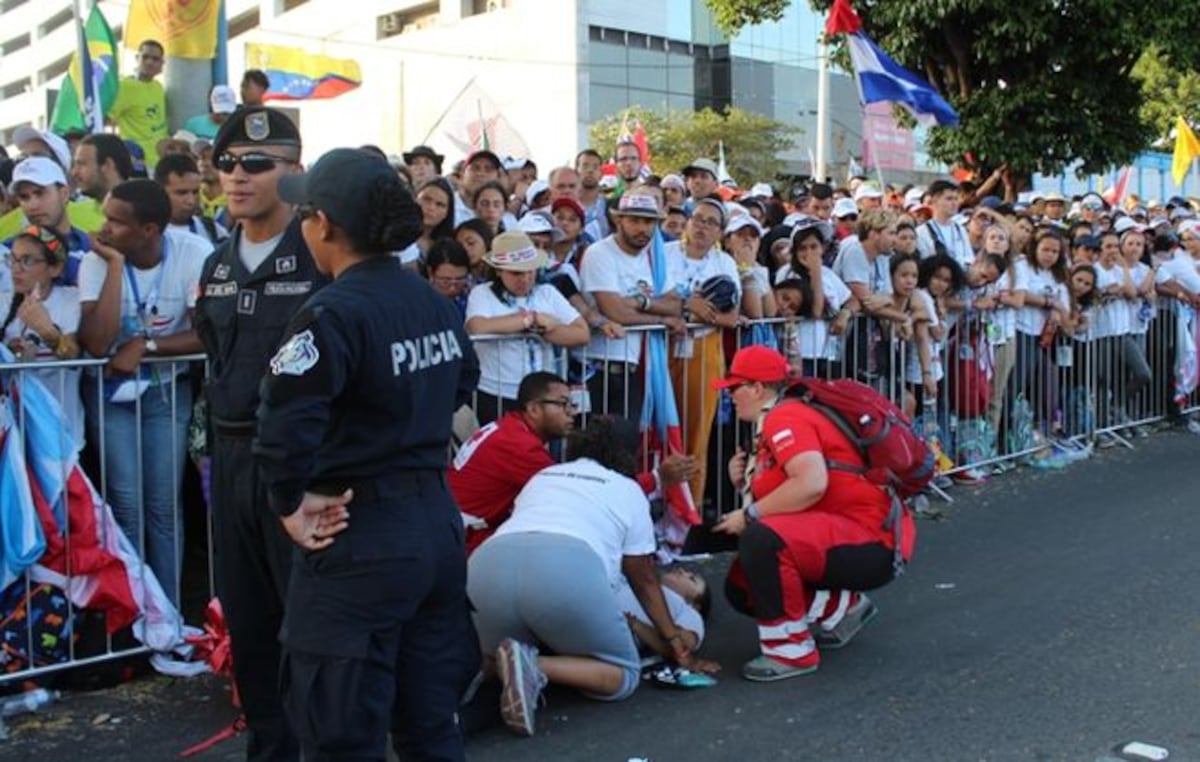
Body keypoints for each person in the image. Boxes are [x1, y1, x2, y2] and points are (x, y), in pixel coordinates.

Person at [254, 147, 479, 760]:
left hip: (358, 536)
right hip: (433, 525)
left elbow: (283, 423)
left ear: (322, 224)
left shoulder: (331, 313)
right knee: (431, 727)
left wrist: (288, 503)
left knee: (340, 734)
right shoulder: (430, 300)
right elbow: (463, 380)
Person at [193, 106, 324, 762]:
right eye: (226, 164)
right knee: (248, 626)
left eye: (255, 164)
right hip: (230, 453)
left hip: (297, 462)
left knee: (309, 626)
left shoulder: (322, 256)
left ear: (295, 174)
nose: (236, 177)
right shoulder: (218, 261)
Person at [468, 417, 718, 738]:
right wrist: (676, 645)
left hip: (489, 564)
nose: (684, 572)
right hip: (563, 568)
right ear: (625, 457)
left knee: (495, 657)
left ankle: (492, 667)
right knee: (624, 676)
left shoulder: (544, 476)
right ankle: (532, 666)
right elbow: (643, 579)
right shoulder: (626, 489)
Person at [711, 345, 916, 681]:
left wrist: (748, 515)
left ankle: (791, 652)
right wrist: (743, 485)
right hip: (868, 535)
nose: (730, 397)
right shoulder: (784, 415)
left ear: (757, 388)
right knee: (743, 584)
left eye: (733, 389)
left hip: (870, 537)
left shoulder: (784, 417)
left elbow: (811, 483)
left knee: (761, 539)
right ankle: (842, 609)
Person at [77, 179, 209, 605]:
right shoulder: (98, 261)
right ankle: (136, 612)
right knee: (127, 508)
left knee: (164, 509)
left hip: (167, 394)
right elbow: (97, 344)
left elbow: (208, 333)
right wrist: (115, 266)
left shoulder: (193, 252)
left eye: (116, 221)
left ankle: (167, 611)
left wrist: (146, 346)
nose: (104, 227)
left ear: (150, 229)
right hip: (112, 396)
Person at [580, 190, 686, 418]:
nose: (642, 228)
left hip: (634, 368)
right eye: (634, 220)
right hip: (598, 368)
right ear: (619, 220)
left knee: (627, 446)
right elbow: (615, 311)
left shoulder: (653, 257)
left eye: (649, 221)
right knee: (595, 444)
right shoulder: (599, 253)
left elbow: (675, 304)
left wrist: (641, 301)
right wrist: (661, 319)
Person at [464, 230, 589, 424]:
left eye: (530, 271)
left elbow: (582, 334)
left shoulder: (547, 292)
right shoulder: (482, 293)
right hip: (497, 392)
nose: (525, 278)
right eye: (516, 272)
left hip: (542, 395)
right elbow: (477, 327)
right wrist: (530, 321)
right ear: (498, 270)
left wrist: (547, 329)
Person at [2, 225, 84, 452]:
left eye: (27, 261)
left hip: (61, 426)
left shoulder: (71, 300)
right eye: (13, 259)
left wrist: (47, 331)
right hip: (13, 426)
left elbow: (73, 353)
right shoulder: (2, 301)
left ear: (55, 268)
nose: (16, 269)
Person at [4, 157, 91, 286]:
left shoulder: (92, 248)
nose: (32, 205)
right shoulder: (6, 253)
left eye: (40, 193)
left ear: (64, 194)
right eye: (24, 197)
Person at [110, 40, 169, 170]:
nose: (149, 62)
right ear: (137, 58)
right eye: (145, 57)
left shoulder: (158, 87)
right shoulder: (125, 86)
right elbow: (107, 118)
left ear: (162, 64)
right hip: (138, 163)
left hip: (160, 161)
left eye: (155, 59)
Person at [154, 153, 229, 245]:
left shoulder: (213, 230)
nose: (191, 201)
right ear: (160, 192)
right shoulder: (145, 235)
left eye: (195, 192)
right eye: (181, 193)